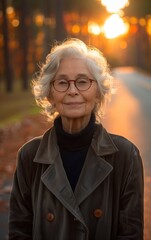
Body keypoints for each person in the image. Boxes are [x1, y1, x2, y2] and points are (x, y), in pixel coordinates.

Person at [9, 38, 144, 240]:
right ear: (50, 95)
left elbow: (131, 234)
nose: (73, 91)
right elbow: (19, 232)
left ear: (98, 92)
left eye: (82, 81)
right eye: (62, 82)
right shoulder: (29, 156)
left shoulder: (126, 155)